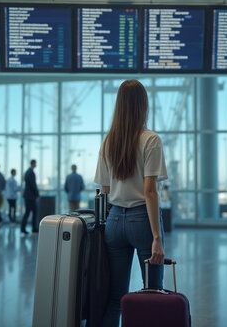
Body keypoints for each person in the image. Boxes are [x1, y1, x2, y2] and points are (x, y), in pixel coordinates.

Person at [94, 79, 167, 327]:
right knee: (152, 294)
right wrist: (156, 237)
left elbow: (104, 190)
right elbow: (150, 191)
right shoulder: (151, 140)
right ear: (143, 106)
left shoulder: (108, 142)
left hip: (114, 222)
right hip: (142, 221)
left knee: (115, 297)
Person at [21, 159, 39, 235]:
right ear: (32, 164)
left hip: (28, 196)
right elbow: (33, 184)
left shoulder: (27, 172)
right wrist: (37, 193)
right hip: (30, 196)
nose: (36, 165)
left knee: (29, 212)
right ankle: (33, 228)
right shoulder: (31, 172)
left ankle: (25, 228)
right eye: (35, 163)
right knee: (33, 212)